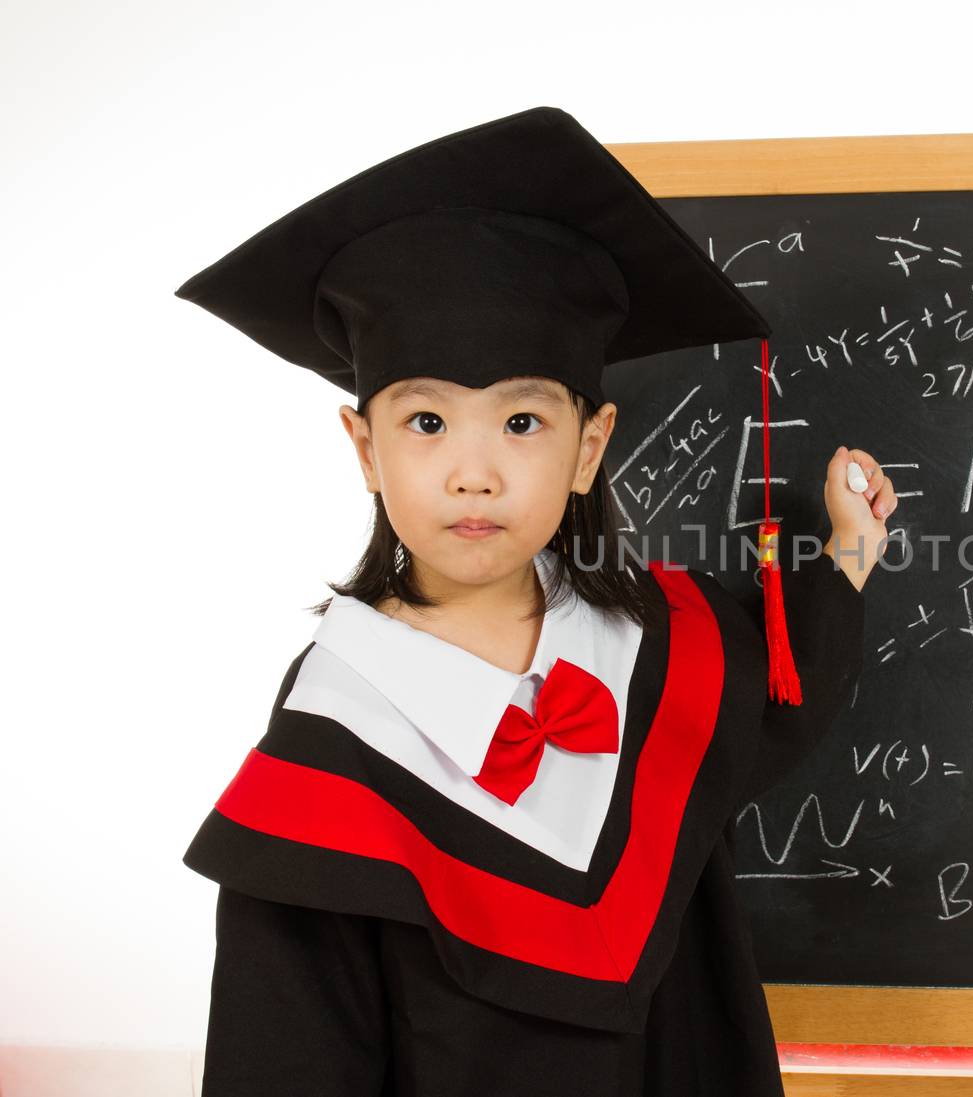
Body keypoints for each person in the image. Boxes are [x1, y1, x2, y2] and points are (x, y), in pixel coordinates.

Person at [173, 105, 896, 1096]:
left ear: (588, 445)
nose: (475, 473)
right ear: (364, 447)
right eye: (426, 419)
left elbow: (773, 709)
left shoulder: (656, 639)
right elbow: (288, 1056)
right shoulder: (332, 739)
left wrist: (847, 551)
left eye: (521, 420)